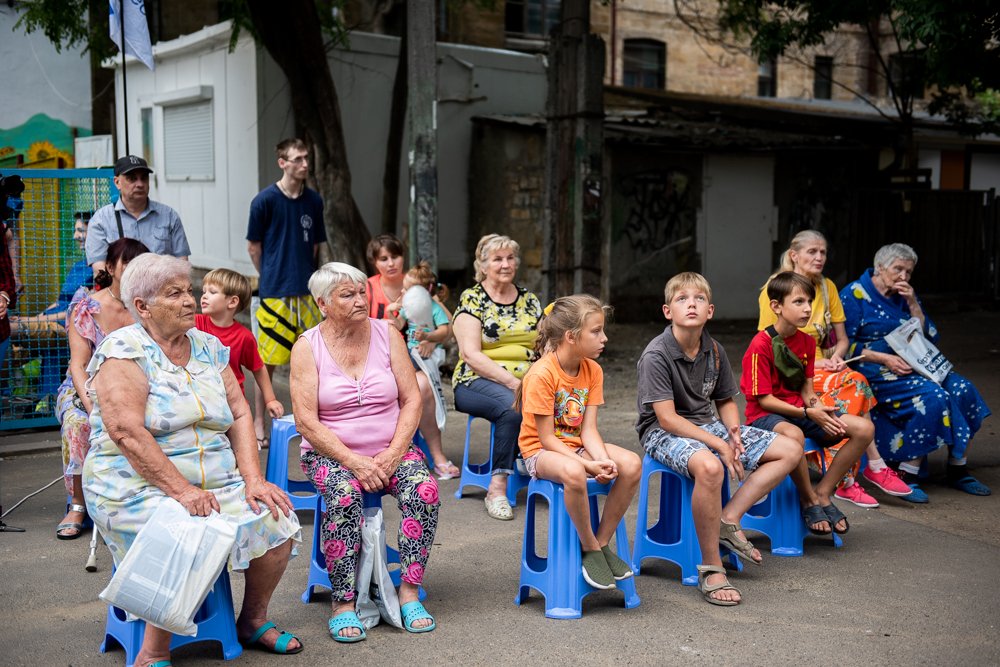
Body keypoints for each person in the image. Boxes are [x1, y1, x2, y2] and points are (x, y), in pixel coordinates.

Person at [83, 254, 303, 666]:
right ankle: (153, 651)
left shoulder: (208, 347)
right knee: (185, 530)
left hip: (214, 482)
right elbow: (126, 432)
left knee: (276, 516)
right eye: (174, 293)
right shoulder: (124, 350)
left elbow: (239, 412)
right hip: (132, 484)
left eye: (189, 290)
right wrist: (183, 491)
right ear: (142, 306)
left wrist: (253, 479)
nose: (189, 300)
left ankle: (252, 620)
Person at [290, 262, 439, 642]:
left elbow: (412, 400)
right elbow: (306, 422)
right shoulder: (307, 347)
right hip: (331, 454)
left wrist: (394, 452)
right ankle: (343, 602)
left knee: (424, 490)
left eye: (362, 292)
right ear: (323, 303)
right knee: (343, 496)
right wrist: (353, 461)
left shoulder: (387, 333)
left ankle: (408, 591)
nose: (360, 300)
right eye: (348, 295)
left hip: (391, 449)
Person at [637, 273, 800, 605]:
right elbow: (667, 418)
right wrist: (719, 444)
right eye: (682, 299)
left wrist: (733, 432)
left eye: (699, 299)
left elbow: (724, 400)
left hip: (707, 425)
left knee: (790, 449)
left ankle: (729, 518)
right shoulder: (657, 354)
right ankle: (711, 567)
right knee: (711, 468)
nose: (691, 305)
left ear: (709, 311)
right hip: (661, 432)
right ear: (668, 311)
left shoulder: (714, 349)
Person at [757, 230, 913, 506]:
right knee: (855, 384)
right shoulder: (777, 287)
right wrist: (818, 363)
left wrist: (837, 358)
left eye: (823, 252)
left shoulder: (827, 287)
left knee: (854, 379)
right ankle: (860, 473)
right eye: (812, 252)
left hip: (825, 366)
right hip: (795, 371)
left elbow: (842, 340)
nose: (819, 257)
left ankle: (854, 475)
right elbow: (772, 345)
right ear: (794, 255)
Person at [840, 243, 991, 499]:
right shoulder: (853, 295)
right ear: (880, 267)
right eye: (898, 269)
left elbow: (927, 336)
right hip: (875, 367)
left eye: (908, 272)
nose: (904, 276)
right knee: (933, 397)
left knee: (963, 389)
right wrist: (884, 358)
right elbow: (844, 346)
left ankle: (958, 468)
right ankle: (908, 472)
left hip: (917, 363)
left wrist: (912, 302)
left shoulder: (904, 294)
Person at [517, 295, 641, 590]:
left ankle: (602, 541)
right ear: (571, 337)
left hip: (576, 446)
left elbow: (589, 430)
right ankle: (589, 547)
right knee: (574, 473)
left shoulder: (593, 370)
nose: (604, 337)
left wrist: (601, 460)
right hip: (540, 452)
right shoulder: (541, 374)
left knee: (631, 464)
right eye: (596, 331)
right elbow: (547, 439)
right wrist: (587, 465)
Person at [741, 272, 874, 536]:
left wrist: (819, 408)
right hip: (764, 416)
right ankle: (808, 499)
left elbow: (806, 389)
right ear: (777, 306)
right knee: (795, 435)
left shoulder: (807, 342)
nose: (807, 309)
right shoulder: (760, 345)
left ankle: (823, 493)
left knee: (863, 429)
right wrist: (807, 412)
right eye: (799, 302)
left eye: (809, 302)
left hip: (801, 411)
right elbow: (764, 400)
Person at [54, 238, 149, 539]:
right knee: (79, 423)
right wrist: (94, 407)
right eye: (127, 262)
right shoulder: (87, 305)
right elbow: (78, 365)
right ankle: (77, 504)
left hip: (135, 386)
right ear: (109, 267)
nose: (135, 269)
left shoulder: (148, 306)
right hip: (85, 388)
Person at [452, 234, 541, 521]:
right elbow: (470, 354)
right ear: (482, 265)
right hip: (475, 380)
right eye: (497, 259)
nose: (505, 264)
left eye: (510, 258)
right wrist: (514, 383)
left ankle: (538, 463)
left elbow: (544, 346)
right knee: (512, 408)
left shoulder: (529, 300)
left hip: (526, 381)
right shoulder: (473, 298)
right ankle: (497, 489)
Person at [247, 138, 327, 442]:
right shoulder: (264, 201)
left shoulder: (314, 201)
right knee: (266, 360)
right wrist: (269, 274)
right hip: (274, 292)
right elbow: (254, 247)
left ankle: (315, 422)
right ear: (282, 163)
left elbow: (315, 245)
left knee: (312, 359)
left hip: (307, 292)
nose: (305, 164)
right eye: (298, 159)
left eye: (306, 158)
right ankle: (259, 422)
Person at [196, 268, 284, 448]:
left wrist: (270, 399)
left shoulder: (244, 337)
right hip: (200, 399)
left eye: (212, 292)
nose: (204, 296)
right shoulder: (195, 323)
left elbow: (259, 369)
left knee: (238, 447)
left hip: (233, 404)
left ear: (232, 302)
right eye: (204, 291)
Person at [400, 261, 459, 479]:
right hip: (401, 356)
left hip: (421, 358)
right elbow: (395, 324)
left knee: (422, 387)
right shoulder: (403, 303)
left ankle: (433, 454)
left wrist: (431, 339)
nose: (403, 292)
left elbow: (448, 327)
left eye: (408, 289)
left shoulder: (432, 305)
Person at [85, 156, 190, 274]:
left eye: (144, 178)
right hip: (120, 285)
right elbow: (100, 270)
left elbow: (182, 264)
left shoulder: (169, 216)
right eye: (132, 178)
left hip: (162, 284)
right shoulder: (101, 220)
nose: (140, 184)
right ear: (117, 182)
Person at [10, 211, 94, 338]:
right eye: (75, 231)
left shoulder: (98, 270)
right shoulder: (78, 266)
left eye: (81, 230)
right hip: (51, 319)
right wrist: (34, 318)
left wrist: (31, 321)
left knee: (11, 328)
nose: (75, 236)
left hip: (66, 325)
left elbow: (74, 312)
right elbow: (60, 302)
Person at [365, 233, 406, 326]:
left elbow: (441, 319)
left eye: (395, 257)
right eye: (384, 259)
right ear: (374, 262)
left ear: (403, 257)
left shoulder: (416, 283)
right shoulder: (366, 288)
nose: (391, 263)